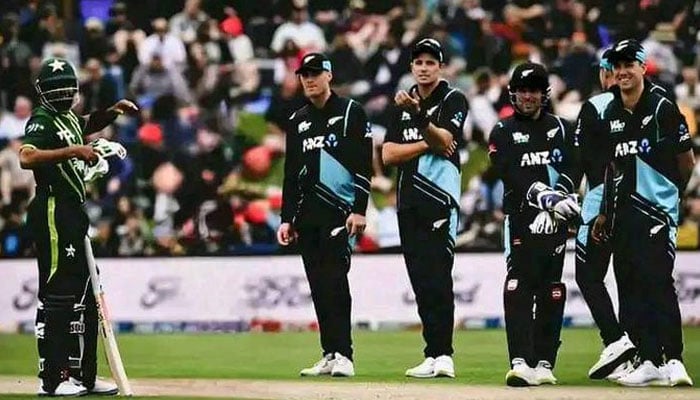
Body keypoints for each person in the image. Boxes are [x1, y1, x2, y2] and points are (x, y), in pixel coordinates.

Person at [19, 57, 138, 396]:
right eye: (58, 90)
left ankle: (84, 377)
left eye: (68, 89)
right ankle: (54, 379)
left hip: (74, 211)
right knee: (57, 295)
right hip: (53, 209)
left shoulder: (68, 117)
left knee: (85, 292)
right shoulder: (41, 120)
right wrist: (72, 150)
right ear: (43, 92)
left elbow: (84, 123)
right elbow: (26, 157)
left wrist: (113, 111)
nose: (65, 95)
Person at [592, 39, 695, 387]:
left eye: (628, 65)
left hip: (656, 213)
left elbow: (686, 161)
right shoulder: (610, 113)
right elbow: (610, 168)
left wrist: (668, 199)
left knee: (659, 283)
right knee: (630, 287)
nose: (622, 71)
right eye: (616, 66)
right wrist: (605, 213)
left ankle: (675, 359)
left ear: (642, 67)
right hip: (623, 217)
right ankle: (649, 358)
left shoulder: (663, 107)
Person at [276, 53, 372, 378]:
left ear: (329, 76)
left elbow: (363, 164)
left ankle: (345, 354)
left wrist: (360, 209)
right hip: (307, 216)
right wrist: (286, 218)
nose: (309, 80)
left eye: (315, 74)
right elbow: (291, 173)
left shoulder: (350, 112)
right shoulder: (297, 119)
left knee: (334, 281)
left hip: (339, 213)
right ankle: (329, 352)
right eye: (304, 75)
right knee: (318, 285)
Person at [487, 62, 580, 386]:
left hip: (555, 221)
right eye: (523, 90)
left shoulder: (564, 128)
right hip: (520, 220)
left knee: (552, 287)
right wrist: (543, 199)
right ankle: (520, 360)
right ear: (513, 93)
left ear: (544, 94)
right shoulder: (502, 131)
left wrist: (560, 201)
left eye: (534, 90)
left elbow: (574, 166)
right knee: (519, 285)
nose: (528, 96)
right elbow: (510, 173)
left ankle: (544, 363)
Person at [382, 38, 468, 379]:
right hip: (409, 202)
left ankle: (444, 353)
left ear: (440, 67)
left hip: (439, 199)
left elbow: (447, 141)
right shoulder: (403, 103)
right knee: (419, 281)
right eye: (418, 62)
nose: (423, 67)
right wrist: (426, 141)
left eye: (430, 62)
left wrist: (421, 125)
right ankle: (431, 354)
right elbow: (388, 155)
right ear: (411, 67)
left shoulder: (453, 98)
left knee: (438, 278)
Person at [571, 49, 637, 381]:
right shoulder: (649, 103)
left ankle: (615, 340)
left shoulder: (596, 106)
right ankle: (641, 354)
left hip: (601, 198)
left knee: (587, 275)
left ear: (604, 73)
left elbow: (585, 160)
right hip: (639, 202)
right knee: (630, 279)